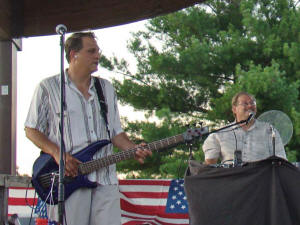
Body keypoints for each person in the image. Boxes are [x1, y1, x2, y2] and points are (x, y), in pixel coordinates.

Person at [24, 32, 152, 225]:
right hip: (68, 180)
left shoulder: (106, 88)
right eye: (91, 51)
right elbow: (31, 129)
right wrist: (59, 154)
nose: (97, 56)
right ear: (73, 54)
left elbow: (116, 132)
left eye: (98, 51)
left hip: (106, 180)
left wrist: (133, 149)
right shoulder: (48, 87)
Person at [202, 91, 286, 165]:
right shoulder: (220, 134)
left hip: (261, 180)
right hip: (231, 180)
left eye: (253, 103)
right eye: (245, 103)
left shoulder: (269, 130)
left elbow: (281, 160)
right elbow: (210, 164)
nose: (250, 106)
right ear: (234, 109)